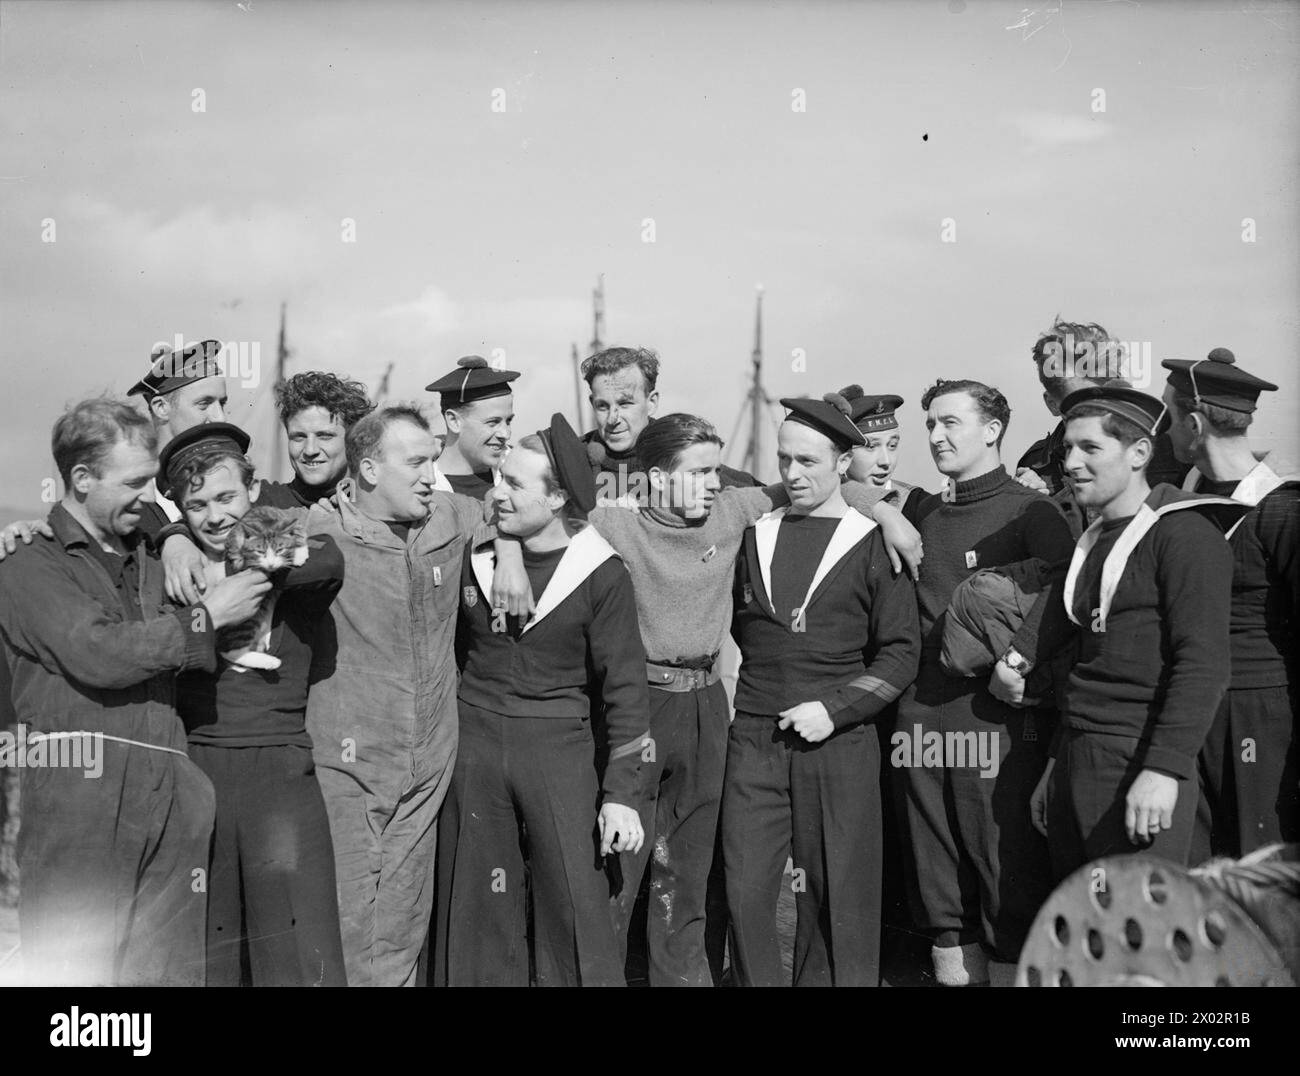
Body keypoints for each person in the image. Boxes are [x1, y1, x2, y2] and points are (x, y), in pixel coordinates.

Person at [0, 398, 269, 985]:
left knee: (167, 979)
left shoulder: (154, 555)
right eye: (135, 483)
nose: (149, 497)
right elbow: (98, 653)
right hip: (82, 800)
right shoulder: (27, 562)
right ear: (80, 478)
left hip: (171, 794)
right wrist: (206, 619)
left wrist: (174, 536)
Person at [303, 400, 528, 987]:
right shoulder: (321, 531)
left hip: (430, 761)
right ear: (369, 470)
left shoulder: (448, 517)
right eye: (416, 464)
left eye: (433, 461)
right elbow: (232, 539)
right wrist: (174, 537)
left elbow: (514, 509)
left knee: (404, 918)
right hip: (349, 761)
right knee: (347, 915)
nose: (432, 476)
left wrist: (506, 550)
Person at [433, 414, 649, 986]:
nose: (496, 492)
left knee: (574, 905)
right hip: (473, 749)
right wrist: (504, 545)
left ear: (557, 498)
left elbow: (626, 690)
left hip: (558, 752)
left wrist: (621, 793)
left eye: (515, 485)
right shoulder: (474, 554)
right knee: (475, 907)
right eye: (498, 477)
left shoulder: (601, 574)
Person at [724, 395, 921, 987]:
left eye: (809, 461)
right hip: (754, 739)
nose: (793, 474)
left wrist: (835, 710)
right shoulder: (752, 533)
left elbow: (901, 653)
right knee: (746, 890)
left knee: (840, 897)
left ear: (843, 463)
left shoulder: (871, 540)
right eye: (784, 460)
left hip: (838, 744)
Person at [897, 378, 1075, 988]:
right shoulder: (922, 511)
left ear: (992, 429)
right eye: (930, 425)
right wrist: (880, 513)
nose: (936, 436)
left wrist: (1018, 661)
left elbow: (1064, 587)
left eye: (950, 422)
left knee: (1003, 859)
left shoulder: (1031, 510)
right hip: (920, 713)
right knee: (935, 860)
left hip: (994, 715)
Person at [1032, 382, 1244, 877]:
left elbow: (1203, 663)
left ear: (1139, 452)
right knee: (1092, 931)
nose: (1071, 463)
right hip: (1076, 756)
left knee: (1142, 935)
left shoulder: (1185, 534)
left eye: (1090, 448)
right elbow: (1088, 662)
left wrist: (1164, 769)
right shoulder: (1095, 538)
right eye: (1067, 448)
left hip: (1141, 759)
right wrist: (1056, 764)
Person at [164, 422, 348, 986]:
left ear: (253, 491)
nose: (215, 516)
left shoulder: (293, 550)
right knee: (209, 952)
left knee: (297, 946)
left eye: (227, 498)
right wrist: (170, 539)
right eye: (196, 506)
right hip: (200, 769)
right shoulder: (169, 573)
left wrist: (226, 572)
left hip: (281, 772)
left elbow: (328, 561)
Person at [1159, 349, 1299, 859]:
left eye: (1168, 418)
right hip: (1189, 709)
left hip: (1259, 716)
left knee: (1258, 867)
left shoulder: (1283, 508)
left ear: (1194, 424)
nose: (1163, 433)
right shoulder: (1177, 501)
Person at [1016, 318, 1189, 536]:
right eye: (1086, 404)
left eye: (1110, 390)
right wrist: (1033, 502)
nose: (1106, 407)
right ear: (1052, 404)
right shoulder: (1037, 466)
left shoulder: (1169, 447)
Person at [581, 345, 758, 491]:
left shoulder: (683, 453)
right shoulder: (572, 460)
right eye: (602, 406)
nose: (613, 419)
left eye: (625, 404)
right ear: (592, 403)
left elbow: (759, 495)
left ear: (651, 402)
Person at [257, 371, 375, 508]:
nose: (310, 450)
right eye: (299, 437)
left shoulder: (377, 509)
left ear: (352, 441)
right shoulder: (264, 503)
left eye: (324, 436)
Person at [424, 355, 518, 500]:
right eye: (493, 422)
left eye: (508, 421)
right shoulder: (424, 487)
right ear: (454, 421)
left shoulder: (520, 472)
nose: (505, 434)